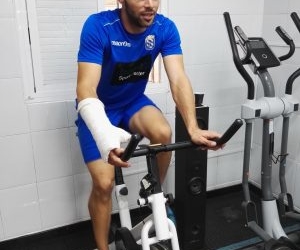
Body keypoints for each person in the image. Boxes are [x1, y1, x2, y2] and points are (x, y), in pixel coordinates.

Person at [75, 0, 222, 249]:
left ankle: (154, 192)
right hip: (100, 107)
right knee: (104, 183)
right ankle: (101, 247)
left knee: (163, 132)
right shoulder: (98, 26)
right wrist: (103, 133)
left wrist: (193, 128)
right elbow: (85, 87)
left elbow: (178, 79)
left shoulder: (165, 28)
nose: (150, 4)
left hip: (132, 103)